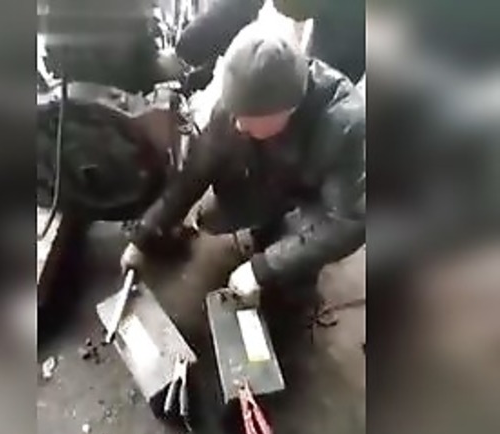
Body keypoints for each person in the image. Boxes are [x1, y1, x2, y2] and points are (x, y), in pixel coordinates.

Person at [121, 20, 365, 304]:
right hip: (274, 178)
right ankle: (270, 228)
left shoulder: (347, 126)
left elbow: (349, 222)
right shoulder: (236, 105)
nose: (238, 125)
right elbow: (196, 170)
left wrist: (264, 268)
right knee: (211, 217)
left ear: (287, 110)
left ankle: (293, 274)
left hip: (315, 201)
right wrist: (146, 233)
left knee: (292, 279)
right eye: (236, 114)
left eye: (249, 119)